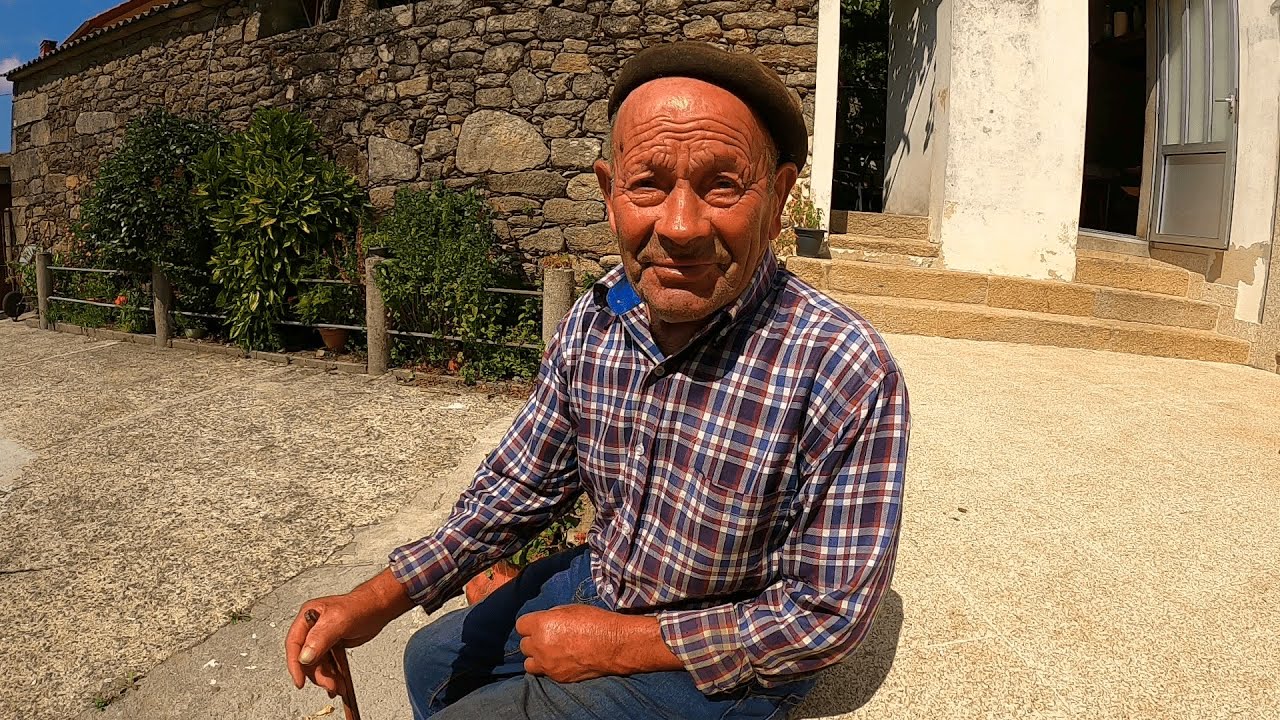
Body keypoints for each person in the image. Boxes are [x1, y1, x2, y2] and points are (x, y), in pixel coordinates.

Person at [285, 41, 910, 720]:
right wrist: (374, 600)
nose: (679, 227)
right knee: (427, 660)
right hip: (607, 580)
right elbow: (520, 485)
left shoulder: (844, 367)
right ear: (609, 194)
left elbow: (826, 616)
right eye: (648, 184)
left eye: (722, 185)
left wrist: (620, 645)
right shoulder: (599, 318)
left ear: (779, 197)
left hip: (720, 654)